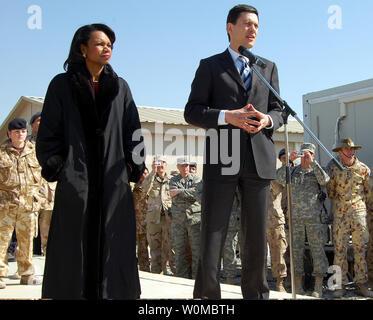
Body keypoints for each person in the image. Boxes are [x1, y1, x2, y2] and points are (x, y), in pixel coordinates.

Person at [35, 24, 145, 300]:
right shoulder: (61, 85)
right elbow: (49, 133)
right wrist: (59, 166)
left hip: (113, 180)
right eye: (99, 43)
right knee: (74, 244)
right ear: (82, 48)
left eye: (109, 44)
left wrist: (133, 166)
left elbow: (134, 131)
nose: (106, 48)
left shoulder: (120, 87)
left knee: (115, 244)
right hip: (77, 180)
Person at [184, 4, 283, 299]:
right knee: (213, 232)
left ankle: (256, 294)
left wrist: (267, 120)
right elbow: (192, 111)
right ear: (230, 27)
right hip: (222, 155)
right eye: (247, 24)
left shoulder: (268, 67)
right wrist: (228, 115)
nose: (253, 30)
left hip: (258, 158)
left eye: (256, 25)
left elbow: (278, 111)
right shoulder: (210, 66)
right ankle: (208, 297)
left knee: (255, 236)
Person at [277, 143, 330, 298]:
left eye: (310, 154)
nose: (307, 157)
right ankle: (298, 285)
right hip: (296, 219)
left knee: (317, 251)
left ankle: (318, 286)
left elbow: (325, 180)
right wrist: (288, 162)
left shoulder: (317, 171)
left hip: (314, 219)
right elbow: (278, 177)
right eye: (304, 154)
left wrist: (313, 163)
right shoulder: (293, 171)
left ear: (314, 156)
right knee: (295, 252)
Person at [326, 138, 373, 298]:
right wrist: (341, 206)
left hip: (359, 215)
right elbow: (330, 192)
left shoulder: (364, 170)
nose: (351, 152)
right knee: (340, 251)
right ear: (340, 152)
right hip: (341, 215)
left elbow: (369, 194)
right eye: (347, 149)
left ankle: (362, 284)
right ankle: (339, 285)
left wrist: (359, 208)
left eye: (352, 149)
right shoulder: (333, 169)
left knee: (360, 250)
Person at [0, 118, 42, 289]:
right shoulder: (2, 153)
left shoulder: (35, 152)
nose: (20, 134)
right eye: (16, 132)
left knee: (26, 242)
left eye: (23, 131)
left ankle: (26, 274)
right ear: (9, 134)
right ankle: (1, 274)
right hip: (6, 206)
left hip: (28, 205)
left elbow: (41, 178)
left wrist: (39, 198)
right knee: (2, 241)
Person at [28, 112, 56, 256]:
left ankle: (46, 254)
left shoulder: (52, 143)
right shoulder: (26, 144)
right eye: (38, 121)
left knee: (46, 225)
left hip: (48, 190)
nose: (41, 123)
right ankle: (26, 258)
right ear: (32, 124)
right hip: (30, 191)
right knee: (28, 226)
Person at [169, 157, 202, 279]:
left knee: (196, 251)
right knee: (179, 251)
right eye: (183, 166)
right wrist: (188, 192)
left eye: (187, 165)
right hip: (178, 221)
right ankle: (181, 277)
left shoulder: (197, 179)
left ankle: (196, 278)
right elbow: (173, 194)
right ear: (178, 167)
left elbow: (196, 194)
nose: (185, 168)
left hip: (194, 220)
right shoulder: (173, 180)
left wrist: (179, 191)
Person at [142, 156, 175, 275]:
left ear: (166, 164)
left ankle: (172, 276)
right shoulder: (151, 180)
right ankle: (156, 275)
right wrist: (152, 172)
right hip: (153, 220)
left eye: (163, 163)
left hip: (168, 220)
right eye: (158, 163)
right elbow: (144, 189)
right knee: (155, 250)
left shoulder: (172, 180)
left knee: (170, 249)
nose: (160, 165)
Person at [266, 179, 288, 292]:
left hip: (275, 222)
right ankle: (260, 281)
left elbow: (279, 189)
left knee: (279, 253)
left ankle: (280, 283)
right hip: (257, 221)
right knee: (258, 254)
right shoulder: (251, 179)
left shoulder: (275, 178)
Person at [222, 189, 242, 285]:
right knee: (226, 250)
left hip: (233, 220)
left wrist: (237, 214)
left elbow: (243, 199)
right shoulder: (212, 178)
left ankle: (230, 280)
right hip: (217, 220)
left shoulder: (234, 178)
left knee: (230, 249)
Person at [132, 167, 150, 272]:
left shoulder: (150, 186)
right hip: (139, 222)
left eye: (146, 173)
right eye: (143, 173)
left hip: (151, 221)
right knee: (142, 248)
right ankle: (144, 269)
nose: (145, 175)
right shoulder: (136, 187)